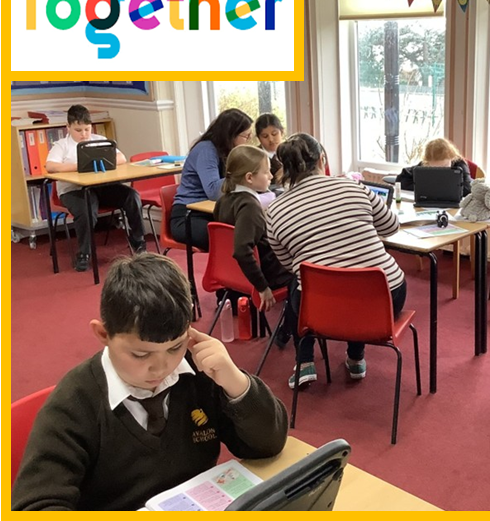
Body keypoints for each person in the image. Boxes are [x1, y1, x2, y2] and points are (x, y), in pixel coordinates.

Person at [11, 253, 288, 511]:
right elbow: (35, 505)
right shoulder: (74, 404)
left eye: (175, 347)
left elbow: (268, 445)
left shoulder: (199, 371)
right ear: (104, 335)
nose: (162, 366)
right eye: (141, 354)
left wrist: (237, 384)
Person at [265, 133, 406, 389]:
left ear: (284, 168)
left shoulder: (274, 210)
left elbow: (287, 262)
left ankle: (304, 362)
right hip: (385, 299)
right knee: (357, 280)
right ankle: (356, 358)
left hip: (321, 310)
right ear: (323, 159)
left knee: (299, 281)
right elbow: (391, 226)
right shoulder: (354, 186)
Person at [45, 105, 147, 272]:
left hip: (102, 187)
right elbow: (50, 166)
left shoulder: (99, 140)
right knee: (87, 208)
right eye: (78, 130)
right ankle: (84, 253)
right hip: (73, 190)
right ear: (68, 127)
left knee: (132, 195)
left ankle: (138, 240)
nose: (84, 134)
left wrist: (104, 162)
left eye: (87, 129)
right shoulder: (61, 146)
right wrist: (79, 166)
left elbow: (121, 158)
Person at [213, 145, 295, 346]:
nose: (271, 176)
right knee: (303, 275)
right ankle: (288, 330)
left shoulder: (223, 200)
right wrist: (262, 287)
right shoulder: (249, 206)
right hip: (266, 274)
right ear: (249, 178)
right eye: (266, 172)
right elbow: (242, 250)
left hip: (232, 274)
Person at [170, 109, 253, 251]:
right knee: (232, 238)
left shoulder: (227, 151)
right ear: (231, 134)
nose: (249, 140)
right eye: (246, 136)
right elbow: (214, 191)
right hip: (188, 216)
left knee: (253, 231)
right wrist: (240, 175)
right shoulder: (206, 150)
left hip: (213, 212)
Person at [395, 137, 473, 197]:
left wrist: (431, 188)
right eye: (435, 168)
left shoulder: (459, 163)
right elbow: (401, 179)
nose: (441, 172)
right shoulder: (425, 164)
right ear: (427, 162)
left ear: (451, 158)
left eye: (445, 167)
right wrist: (429, 188)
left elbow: (468, 189)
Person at [254, 113, 285, 183]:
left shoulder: (290, 151)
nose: (270, 139)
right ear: (258, 138)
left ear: (282, 132)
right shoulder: (254, 157)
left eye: (274, 134)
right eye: (265, 136)